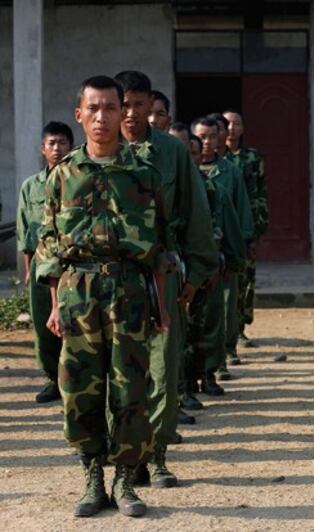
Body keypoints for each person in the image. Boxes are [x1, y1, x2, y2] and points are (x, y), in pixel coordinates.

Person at [37, 75, 171, 518]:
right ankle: (93, 474)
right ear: (80, 114)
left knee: (130, 387)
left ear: (124, 113)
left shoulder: (144, 173)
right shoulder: (62, 176)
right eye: (92, 108)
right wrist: (55, 305)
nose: (102, 116)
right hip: (78, 291)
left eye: (110, 107)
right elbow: (49, 247)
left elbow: (161, 247)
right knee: (78, 387)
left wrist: (162, 306)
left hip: (130, 290)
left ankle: (127, 479)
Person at [115, 70, 218, 488]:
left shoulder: (172, 153)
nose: (132, 113)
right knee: (120, 371)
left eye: (140, 105)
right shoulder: (100, 151)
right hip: (113, 277)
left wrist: (197, 270)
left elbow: (195, 212)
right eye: (124, 105)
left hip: (161, 273)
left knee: (163, 367)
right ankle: (125, 456)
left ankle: (156, 455)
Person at [192, 116, 254, 389]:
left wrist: (238, 251)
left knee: (223, 313)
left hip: (221, 255)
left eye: (211, 137)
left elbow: (240, 213)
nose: (206, 143)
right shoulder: (184, 177)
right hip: (192, 260)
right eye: (201, 138)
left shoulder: (229, 172)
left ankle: (217, 364)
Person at [17, 121, 72, 404]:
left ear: (71, 146)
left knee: (73, 323)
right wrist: (28, 271)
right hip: (40, 266)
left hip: (71, 266)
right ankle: (53, 378)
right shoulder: (31, 186)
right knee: (43, 326)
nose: (57, 148)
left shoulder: (78, 181)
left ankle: (73, 378)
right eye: (51, 143)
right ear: (42, 148)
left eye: (62, 142)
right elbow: (25, 232)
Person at [223, 109, 269, 353]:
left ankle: (240, 327)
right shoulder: (214, 160)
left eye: (236, 123)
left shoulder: (252, 158)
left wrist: (257, 230)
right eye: (227, 123)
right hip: (222, 229)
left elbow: (260, 194)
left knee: (246, 281)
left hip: (246, 227)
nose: (231, 128)